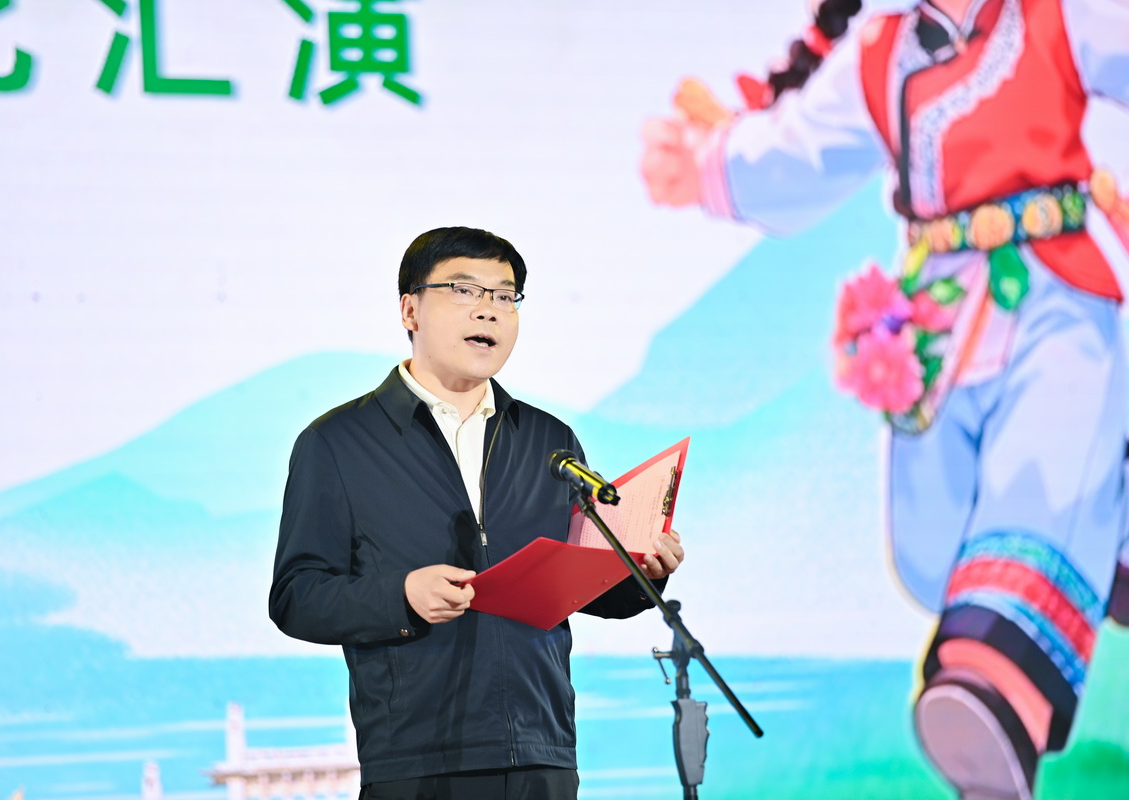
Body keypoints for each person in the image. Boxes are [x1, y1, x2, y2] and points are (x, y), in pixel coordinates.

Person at [640, 1, 1128, 799]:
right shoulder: (881, 52)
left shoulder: (1056, 16)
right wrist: (709, 166)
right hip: (931, 320)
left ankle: (998, 685)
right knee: (934, 542)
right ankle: (1099, 523)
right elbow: (800, 151)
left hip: (1053, 293)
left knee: (1043, 459)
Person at [269, 226, 685, 800]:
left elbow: (583, 588)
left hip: (542, 750)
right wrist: (402, 596)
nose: (488, 310)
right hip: (417, 758)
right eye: (464, 291)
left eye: (505, 296)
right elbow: (297, 596)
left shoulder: (548, 439)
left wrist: (643, 572)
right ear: (410, 310)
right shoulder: (339, 442)